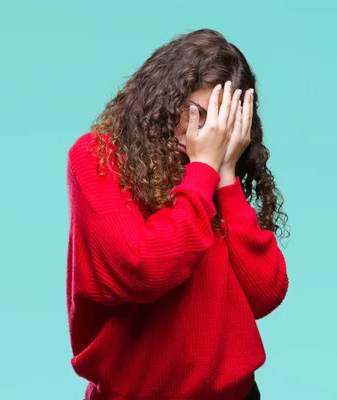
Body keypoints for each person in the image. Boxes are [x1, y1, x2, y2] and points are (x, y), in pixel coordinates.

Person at [65, 28, 289, 400]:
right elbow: (145, 268)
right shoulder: (97, 158)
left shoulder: (215, 169)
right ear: (165, 99)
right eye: (196, 114)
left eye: (221, 124)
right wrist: (204, 170)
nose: (206, 134)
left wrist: (227, 177)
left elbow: (265, 294)